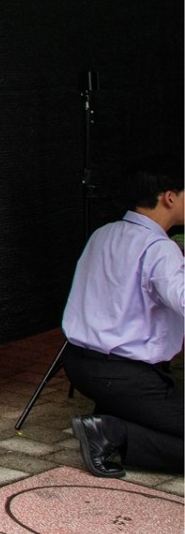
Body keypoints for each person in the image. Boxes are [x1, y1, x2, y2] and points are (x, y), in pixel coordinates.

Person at [62, 167, 183, 479]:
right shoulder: (159, 249)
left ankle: (111, 423)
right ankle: (111, 431)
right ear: (170, 197)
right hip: (125, 376)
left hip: (79, 366)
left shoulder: (103, 233)